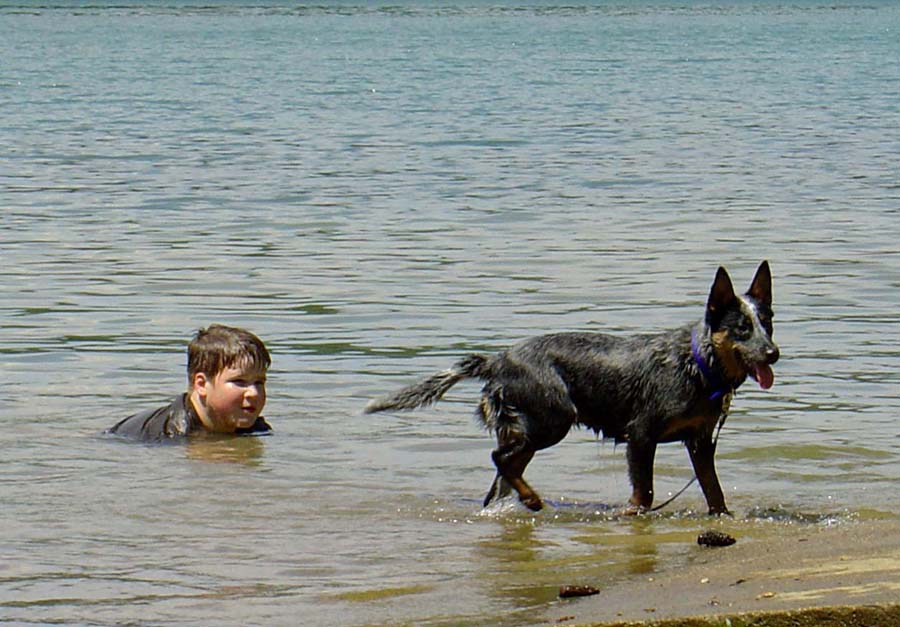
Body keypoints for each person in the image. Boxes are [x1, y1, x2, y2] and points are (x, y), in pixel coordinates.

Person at [108, 324, 272, 441]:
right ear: (201, 384)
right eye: (239, 382)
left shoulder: (255, 428)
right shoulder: (167, 437)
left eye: (259, 382)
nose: (254, 393)